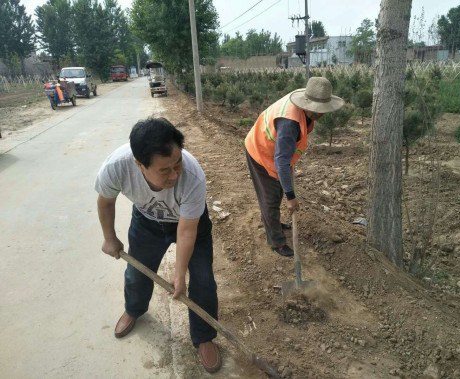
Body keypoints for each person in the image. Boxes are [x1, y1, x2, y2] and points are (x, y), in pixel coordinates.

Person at [95, 118, 221, 373]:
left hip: (191, 224)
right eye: (165, 170)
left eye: (178, 164)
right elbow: (105, 201)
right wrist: (110, 237)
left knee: (203, 280)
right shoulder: (116, 167)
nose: (174, 174)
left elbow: (186, 231)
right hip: (147, 222)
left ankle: (204, 335)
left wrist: (178, 275)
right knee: (136, 273)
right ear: (139, 165)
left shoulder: (193, 175)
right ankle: (134, 309)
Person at [245, 77, 344, 257]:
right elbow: (281, 162)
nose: (321, 113)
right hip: (260, 151)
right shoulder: (289, 123)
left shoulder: (307, 98)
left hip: (276, 151)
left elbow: (284, 157)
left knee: (279, 189)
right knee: (270, 197)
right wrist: (291, 198)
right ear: (307, 105)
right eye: (317, 110)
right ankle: (276, 242)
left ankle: (271, 221)